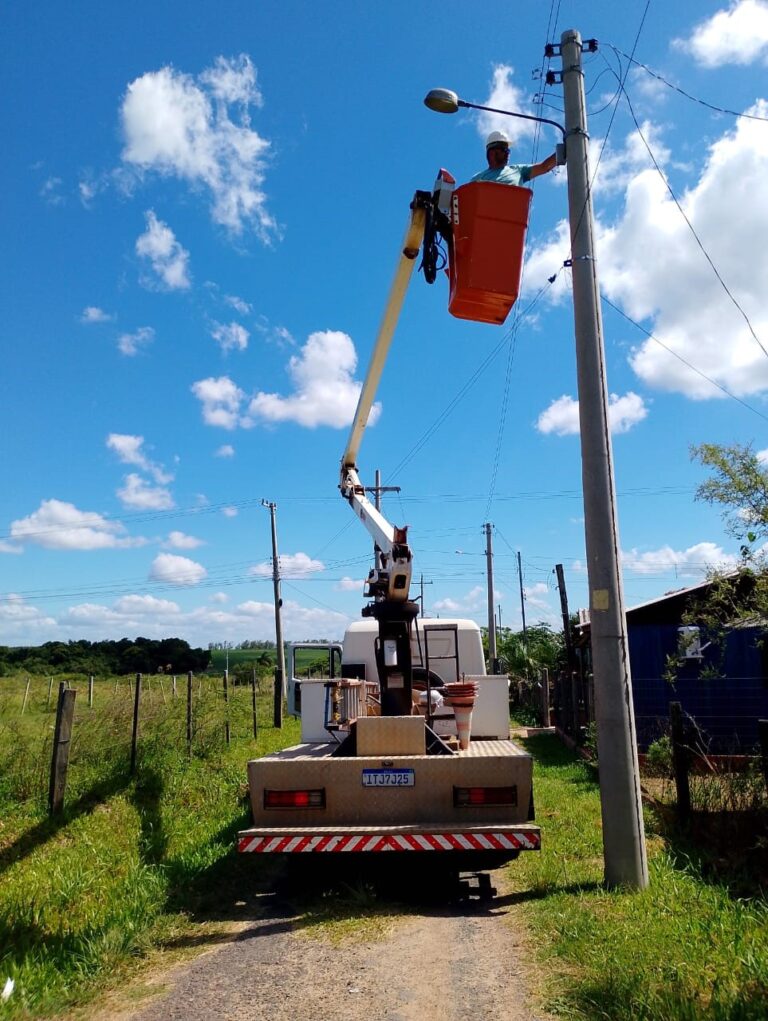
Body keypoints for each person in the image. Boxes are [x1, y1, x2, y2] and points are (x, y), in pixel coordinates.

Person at [472, 130, 558, 186]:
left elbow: (544, 167)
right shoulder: (477, 179)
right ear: (492, 153)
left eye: (508, 150)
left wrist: (562, 151)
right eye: (504, 150)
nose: (508, 153)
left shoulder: (518, 170)